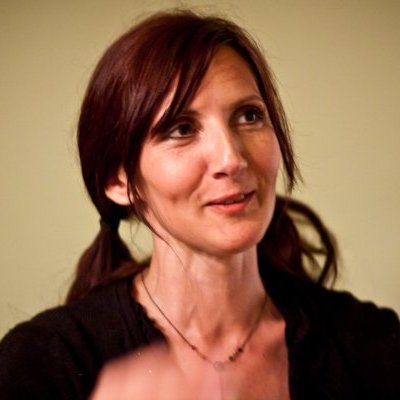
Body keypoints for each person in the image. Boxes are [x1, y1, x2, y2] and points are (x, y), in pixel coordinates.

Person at [0, 10, 399, 400]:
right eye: (182, 129)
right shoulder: (44, 364)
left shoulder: (372, 345)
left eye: (249, 116)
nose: (232, 159)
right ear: (119, 181)